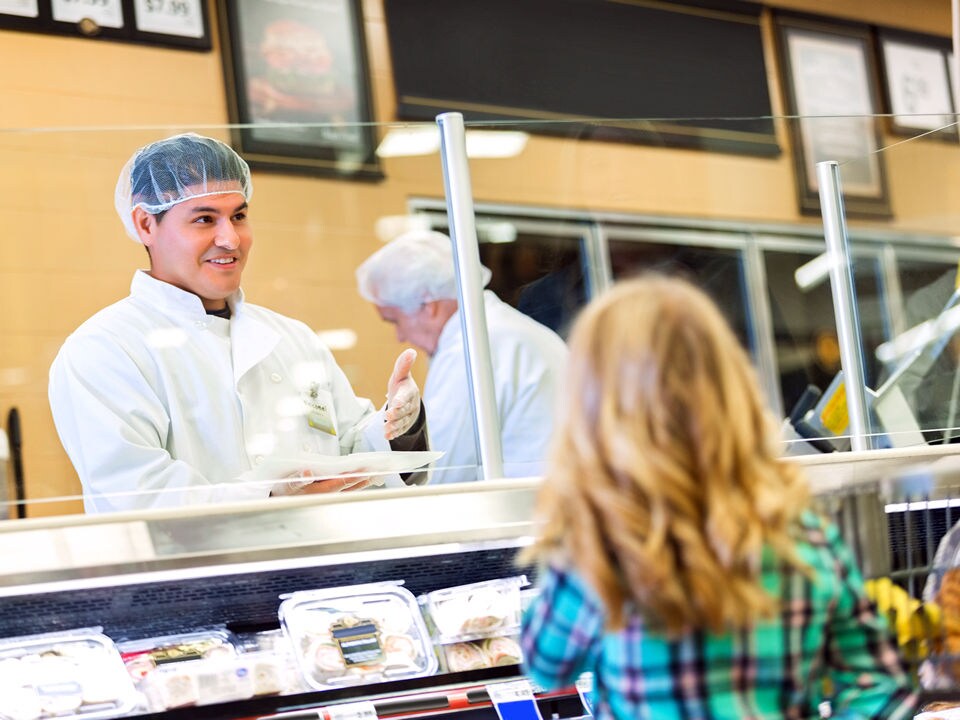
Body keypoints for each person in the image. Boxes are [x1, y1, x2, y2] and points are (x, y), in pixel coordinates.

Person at [520, 275, 918, 720]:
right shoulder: (801, 535)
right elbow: (880, 689)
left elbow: (546, 665)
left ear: (595, 406)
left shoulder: (602, 546)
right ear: (730, 389)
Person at [48, 133, 427, 513]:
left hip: (316, 565)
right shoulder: (105, 349)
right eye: (204, 219)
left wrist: (398, 426)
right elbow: (139, 495)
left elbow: (352, 453)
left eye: (239, 216)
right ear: (146, 224)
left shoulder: (292, 338)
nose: (230, 239)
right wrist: (270, 497)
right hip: (195, 573)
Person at [356, 230, 568, 483]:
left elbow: (440, 473)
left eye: (395, 321)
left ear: (427, 306)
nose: (400, 336)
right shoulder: (506, 331)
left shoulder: (473, 348)